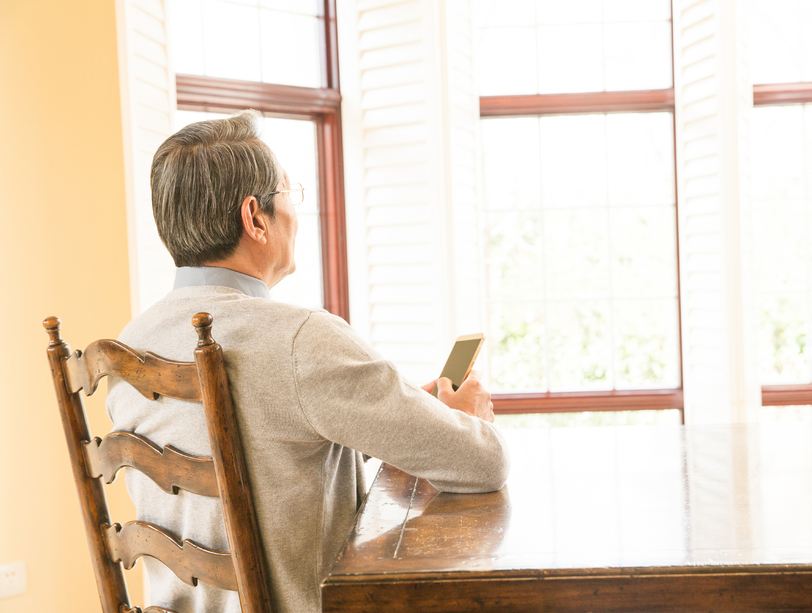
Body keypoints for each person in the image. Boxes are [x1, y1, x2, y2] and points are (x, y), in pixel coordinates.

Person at [106, 109, 510, 613]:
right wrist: (460, 421)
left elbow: (260, 449)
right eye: (289, 195)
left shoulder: (129, 347)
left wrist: (403, 417)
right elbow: (484, 463)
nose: (296, 212)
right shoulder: (300, 340)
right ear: (254, 218)